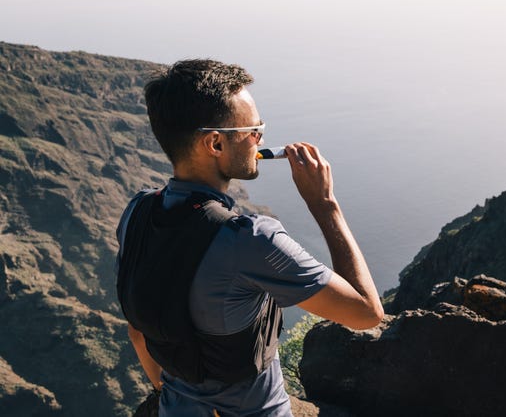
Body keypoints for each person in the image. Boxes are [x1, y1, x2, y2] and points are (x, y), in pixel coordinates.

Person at [116, 59, 384, 417]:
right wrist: (324, 205)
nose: (260, 139)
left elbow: (138, 331)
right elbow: (366, 313)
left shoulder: (137, 213)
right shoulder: (250, 240)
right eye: (253, 129)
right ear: (215, 143)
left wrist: (169, 392)